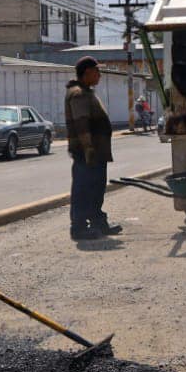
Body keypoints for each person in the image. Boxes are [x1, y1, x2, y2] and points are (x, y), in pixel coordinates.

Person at [65, 56, 119, 241]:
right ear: (87, 73)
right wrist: (88, 149)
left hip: (96, 152)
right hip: (87, 153)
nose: (100, 75)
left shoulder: (87, 92)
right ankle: (79, 228)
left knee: (96, 188)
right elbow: (82, 124)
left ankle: (98, 222)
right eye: (97, 72)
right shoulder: (78, 94)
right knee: (83, 189)